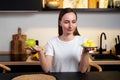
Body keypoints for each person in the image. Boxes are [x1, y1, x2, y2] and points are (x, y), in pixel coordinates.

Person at [26, 8, 93, 73]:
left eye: (73, 22)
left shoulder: (84, 42)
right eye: (66, 22)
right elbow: (46, 69)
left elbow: (83, 70)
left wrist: (85, 52)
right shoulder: (52, 43)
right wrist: (40, 52)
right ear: (60, 23)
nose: (70, 26)